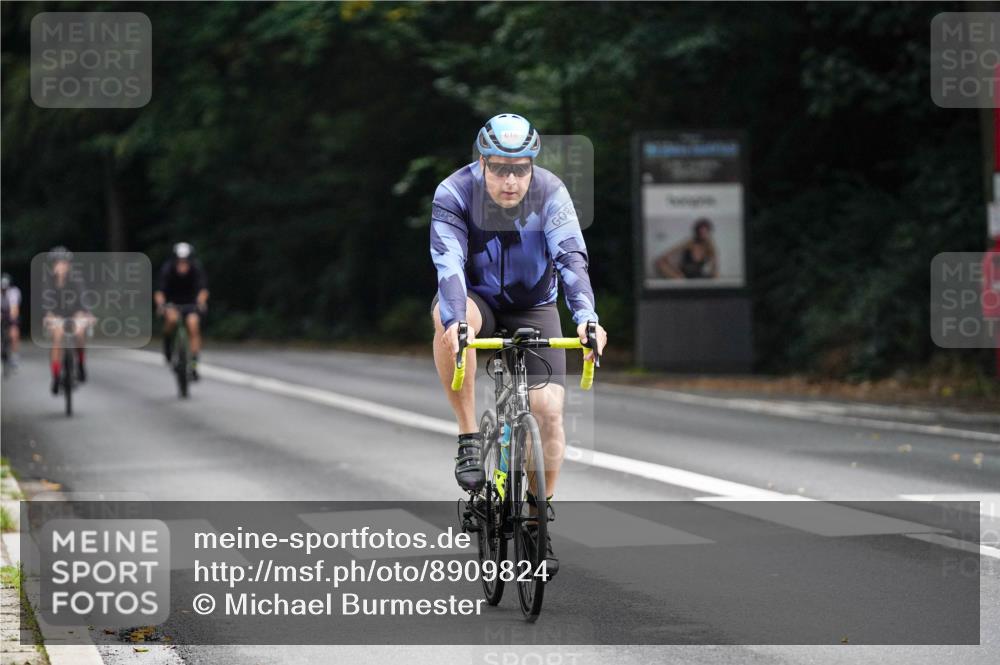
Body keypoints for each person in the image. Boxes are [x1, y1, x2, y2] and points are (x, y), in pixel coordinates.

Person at [430, 113, 608, 575]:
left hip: (533, 305)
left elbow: (571, 259)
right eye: (499, 168)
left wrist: (587, 319)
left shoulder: (551, 193)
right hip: (477, 301)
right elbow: (448, 263)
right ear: (482, 163)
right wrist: (456, 321)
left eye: (520, 169)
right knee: (450, 321)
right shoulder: (454, 193)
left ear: (532, 166)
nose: (511, 180)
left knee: (548, 411)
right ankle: (469, 437)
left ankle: (535, 518)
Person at [40, 247, 92, 393]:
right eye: (57, 263)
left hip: (74, 312)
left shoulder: (76, 278)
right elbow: (46, 302)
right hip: (57, 315)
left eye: (64, 263)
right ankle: (56, 376)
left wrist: (87, 314)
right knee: (57, 337)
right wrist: (49, 315)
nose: (61, 266)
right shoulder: (48, 281)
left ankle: (80, 364)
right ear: (53, 266)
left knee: (80, 332)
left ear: (69, 265)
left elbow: (83, 297)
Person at [154, 242, 209, 380]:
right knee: (171, 320)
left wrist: (201, 302)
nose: (182, 265)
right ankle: (168, 345)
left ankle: (194, 364)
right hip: (172, 304)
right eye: (180, 261)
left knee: (193, 325)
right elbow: (160, 291)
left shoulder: (196, 268)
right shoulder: (168, 269)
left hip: (191, 304)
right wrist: (161, 305)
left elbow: (203, 290)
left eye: (185, 261)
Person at [654, 217, 719, 279]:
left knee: (715, 276)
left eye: (705, 232)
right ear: (697, 232)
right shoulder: (689, 243)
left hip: (698, 277)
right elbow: (664, 257)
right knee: (659, 262)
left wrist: (714, 277)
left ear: (709, 233)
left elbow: (715, 267)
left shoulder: (710, 247)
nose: (703, 235)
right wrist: (676, 271)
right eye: (701, 232)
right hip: (682, 277)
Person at [1, 273, 22, 370]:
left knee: (14, 333)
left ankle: (14, 356)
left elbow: (14, 308)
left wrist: (12, 317)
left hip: (11, 315)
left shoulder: (14, 292)